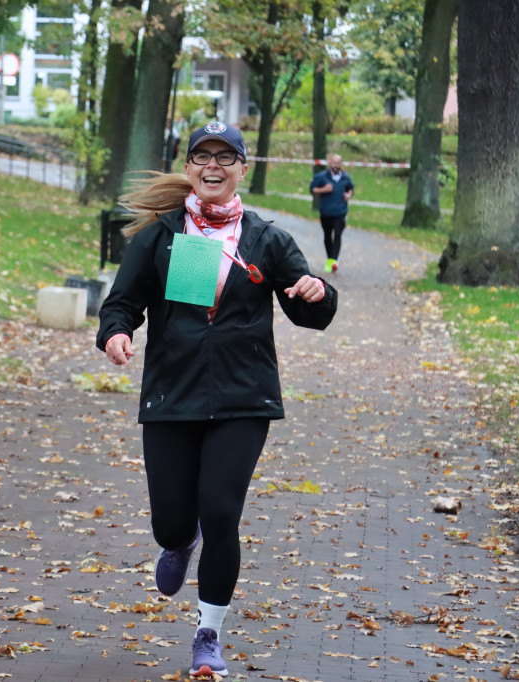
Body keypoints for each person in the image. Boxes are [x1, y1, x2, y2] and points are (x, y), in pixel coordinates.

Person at [96, 122, 338, 678]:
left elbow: (309, 309)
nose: (213, 166)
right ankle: (179, 541)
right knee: (172, 522)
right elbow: (122, 303)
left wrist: (317, 292)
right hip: (172, 396)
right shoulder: (163, 236)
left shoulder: (265, 240)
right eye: (202, 156)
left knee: (223, 512)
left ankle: (209, 636)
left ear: (241, 169)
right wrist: (116, 332)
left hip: (242, 398)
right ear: (189, 169)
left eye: (225, 157)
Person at [309, 154, 354, 273]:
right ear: (329, 163)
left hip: (341, 212)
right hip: (326, 212)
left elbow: (350, 188)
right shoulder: (321, 177)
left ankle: (333, 261)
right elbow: (312, 189)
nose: (336, 165)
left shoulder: (346, 177)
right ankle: (330, 259)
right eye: (334, 162)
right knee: (328, 236)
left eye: (338, 163)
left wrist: (349, 194)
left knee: (338, 235)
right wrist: (324, 189)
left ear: (341, 164)